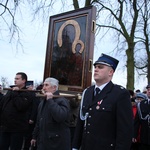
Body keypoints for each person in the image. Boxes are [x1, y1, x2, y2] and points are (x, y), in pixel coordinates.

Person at [72, 53, 133, 150]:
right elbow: (80, 122)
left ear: (110, 72)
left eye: (100, 67)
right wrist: (75, 146)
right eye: (95, 67)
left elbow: (125, 131)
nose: (95, 69)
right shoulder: (87, 92)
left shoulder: (120, 94)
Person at [31, 77, 71, 150]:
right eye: (43, 85)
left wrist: (50, 101)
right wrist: (34, 136)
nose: (44, 88)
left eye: (46, 85)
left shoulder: (62, 101)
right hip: (43, 142)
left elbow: (60, 117)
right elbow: (39, 121)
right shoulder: (42, 102)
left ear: (54, 88)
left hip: (56, 143)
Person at [0, 72, 32, 150]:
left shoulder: (27, 94)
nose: (15, 80)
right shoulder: (10, 91)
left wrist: (15, 93)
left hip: (17, 129)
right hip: (5, 127)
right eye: (15, 78)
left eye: (17, 79)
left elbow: (21, 106)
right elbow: (2, 105)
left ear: (24, 80)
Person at [133, 84, 150, 150]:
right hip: (145, 138)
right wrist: (134, 135)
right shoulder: (141, 104)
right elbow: (137, 121)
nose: (149, 91)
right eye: (148, 90)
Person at [22, 81, 39, 150]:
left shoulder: (34, 95)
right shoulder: (25, 94)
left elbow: (35, 107)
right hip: (24, 117)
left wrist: (32, 118)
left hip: (29, 118)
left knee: (28, 135)